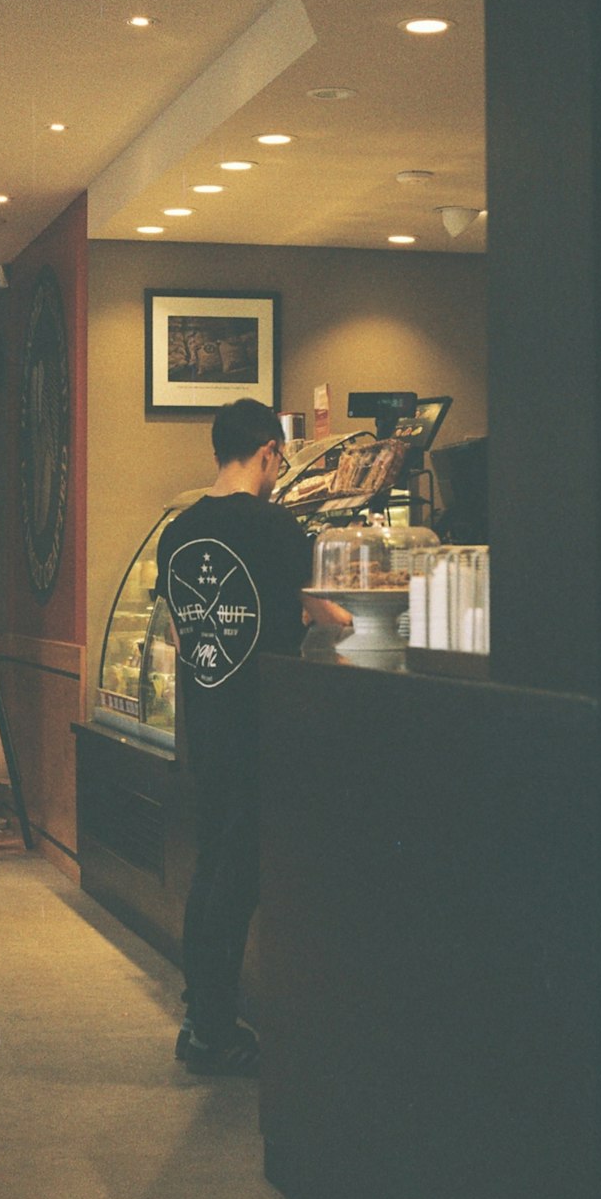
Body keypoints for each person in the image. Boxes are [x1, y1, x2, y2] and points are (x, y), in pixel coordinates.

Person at [156, 398, 351, 1075]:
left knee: (212, 868)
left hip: (205, 725)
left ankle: (201, 1012)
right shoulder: (275, 527)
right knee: (238, 877)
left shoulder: (176, 533)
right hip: (260, 723)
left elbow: (181, 635)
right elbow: (325, 611)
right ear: (269, 451)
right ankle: (210, 1029)